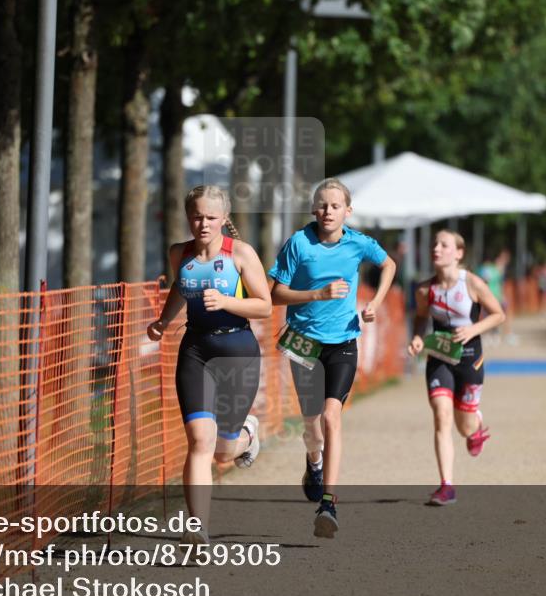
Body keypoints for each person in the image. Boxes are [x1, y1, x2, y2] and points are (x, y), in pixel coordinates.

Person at [268, 178, 396, 538]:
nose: (328, 211)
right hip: (303, 343)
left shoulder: (358, 244)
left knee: (331, 417)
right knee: (311, 427)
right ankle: (314, 463)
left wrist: (376, 302)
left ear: (347, 211)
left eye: (335, 206)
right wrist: (318, 294)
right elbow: (274, 295)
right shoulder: (298, 243)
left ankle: (329, 503)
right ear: (313, 209)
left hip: (342, 343)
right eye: (322, 205)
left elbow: (389, 265)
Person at [146, 185, 272, 546]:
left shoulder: (241, 255)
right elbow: (179, 288)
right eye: (197, 216)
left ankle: (248, 436)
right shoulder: (179, 254)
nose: (203, 223)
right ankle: (197, 527)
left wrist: (229, 301)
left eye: (211, 217)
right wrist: (163, 321)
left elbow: (264, 306)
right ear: (188, 217)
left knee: (222, 453)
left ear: (224, 219)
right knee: (200, 441)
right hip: (196, 351)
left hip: (237, 352)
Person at [407, 230, 505, 506]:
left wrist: (473, 329)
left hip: (470, 358)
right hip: (439, 357)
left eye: (444, 245)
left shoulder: (473, 283)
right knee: (441, 416)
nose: (436, 248)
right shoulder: (425, 290)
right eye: (434, 244)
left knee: (464, 426)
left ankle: (475, 429)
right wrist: (416, 338)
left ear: (458, 253)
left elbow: (499, 314)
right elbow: (421, 317)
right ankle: (446, 486)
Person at [478, 249, 513, 344]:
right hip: (493, 296)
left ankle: (494, 334)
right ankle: (493, 335)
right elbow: (487, 281)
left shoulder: (490, 269)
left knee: (494, 316)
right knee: (497, 315)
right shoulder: (490, 269)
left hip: (495, 296)